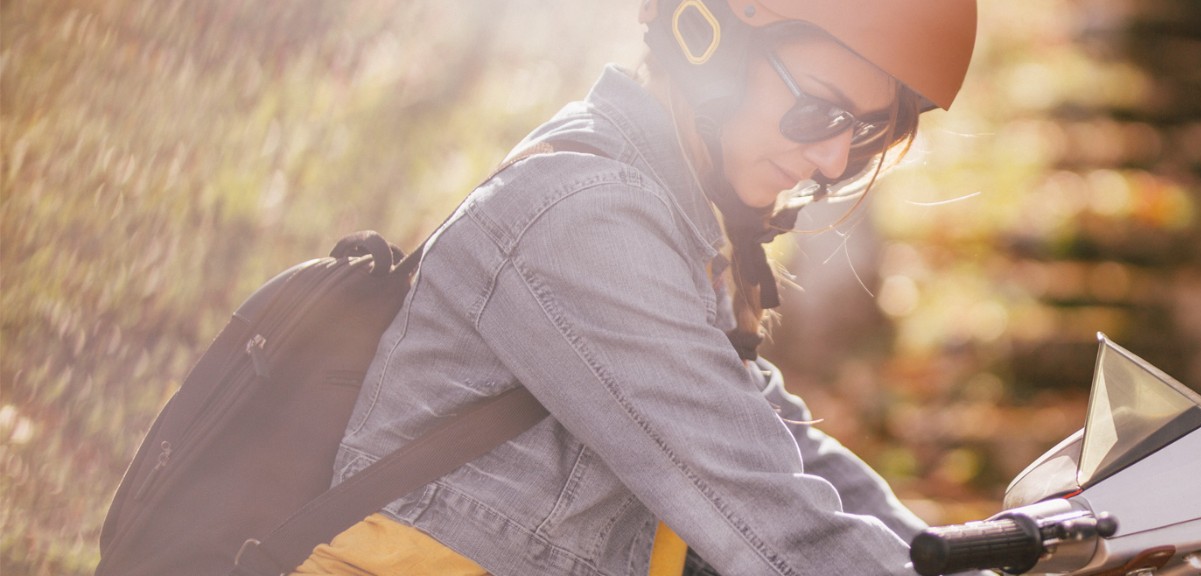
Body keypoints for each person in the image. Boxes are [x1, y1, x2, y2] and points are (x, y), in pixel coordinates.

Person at [293, 1, 978, 574]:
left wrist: (963, 557)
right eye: (820, 113)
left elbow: (783, 447)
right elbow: (760, 506)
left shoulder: (670, 219)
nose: (831, 161)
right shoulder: (584, 216)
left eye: (859, 135)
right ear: (705, 42)